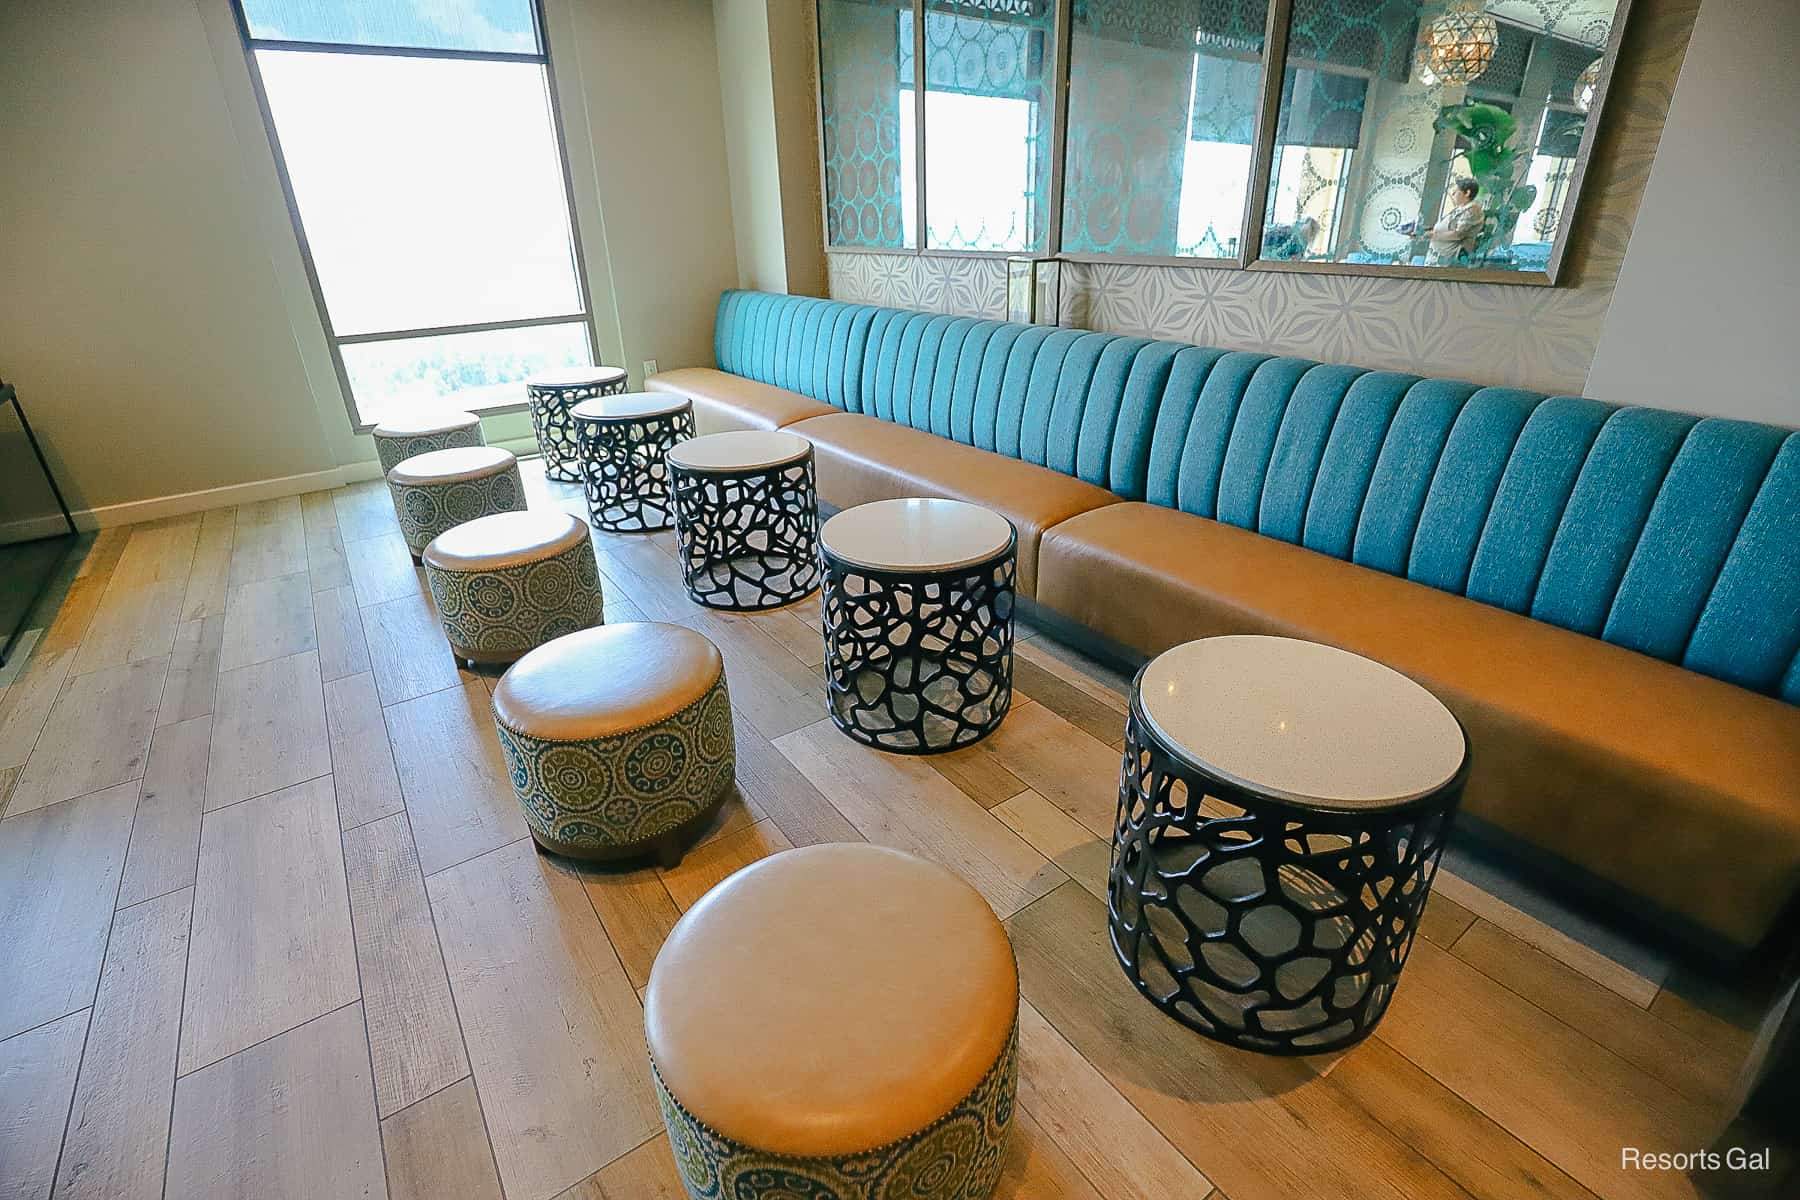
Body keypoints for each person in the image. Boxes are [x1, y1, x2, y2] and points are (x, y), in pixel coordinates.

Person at [1427, 177, 1484, 264]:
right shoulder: (1461, 208)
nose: (1453, 193)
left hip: (1455, 259)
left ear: (1467, 193)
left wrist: (1432, 235)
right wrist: (1423, 232)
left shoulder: (1472, 210)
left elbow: (1458, 235)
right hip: (1442, 257)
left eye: (1456, 191)